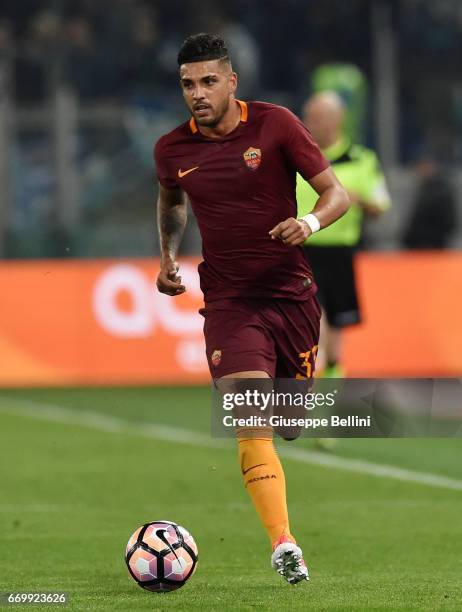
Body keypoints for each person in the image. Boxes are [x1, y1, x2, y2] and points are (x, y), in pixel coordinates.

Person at [155, 34, 349, 585]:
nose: (198, 93)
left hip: (292, 298)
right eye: (189, 84)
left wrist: (308, 222)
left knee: (287, 423)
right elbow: (171, 197)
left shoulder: (277, 125)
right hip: (229, 303)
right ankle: (284, 543)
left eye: (209, 81)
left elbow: (337, 194)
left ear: (232, 81)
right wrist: (169, 256)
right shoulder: (172, 149)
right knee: (250, 421)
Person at [297, 91, 391, 377]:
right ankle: (307, 365)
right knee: (310, 310)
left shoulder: (362, 159)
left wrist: (358, 199)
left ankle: (334, 368)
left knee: (339, 314)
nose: (314, 123)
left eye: (321, 117)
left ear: (339, 120)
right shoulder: (297, 155)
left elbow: (381, 204)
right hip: (301, 246)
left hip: (340, 248)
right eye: (310, 117)